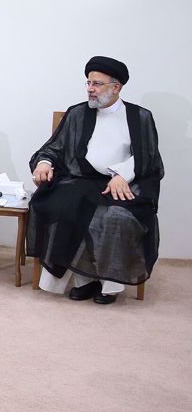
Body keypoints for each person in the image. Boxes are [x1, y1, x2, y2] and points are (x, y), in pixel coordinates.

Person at [27, 56, 164, 305]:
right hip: (80, 181)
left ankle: (108, 284)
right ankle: (84, 280)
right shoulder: (77, 113)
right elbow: (54, 148)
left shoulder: (140, 116)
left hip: (123, 184)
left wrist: (121, 175)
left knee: (116, 217)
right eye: (88, 83)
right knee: (63, 207)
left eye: (97, 84)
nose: (90, 89)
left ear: (116, 87)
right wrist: (44, 163)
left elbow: (148, 157)